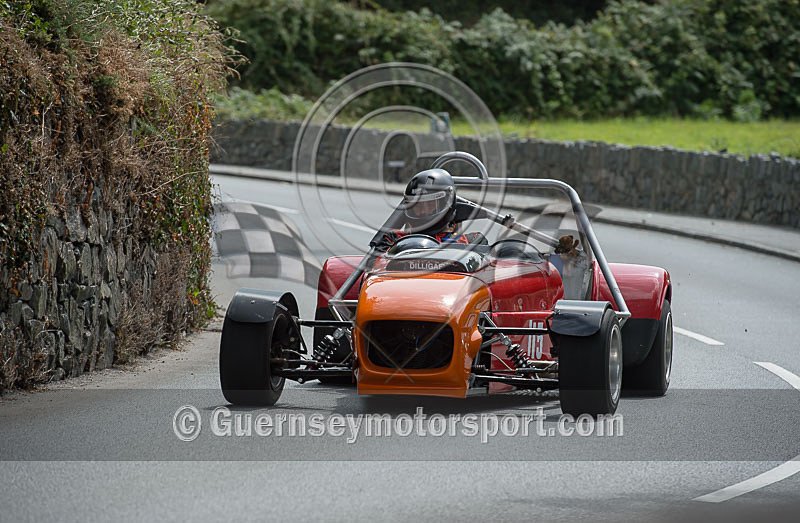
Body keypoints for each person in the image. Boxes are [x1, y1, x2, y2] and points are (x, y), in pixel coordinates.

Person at [377, 168, 484, 250]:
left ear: (445, 204)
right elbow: (375, 266)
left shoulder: (472, 242)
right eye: (417, 206)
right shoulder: (393, 240)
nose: (423, 211)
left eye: (430, 204)